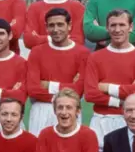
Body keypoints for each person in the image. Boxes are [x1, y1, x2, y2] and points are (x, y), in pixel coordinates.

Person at [84, 9, 135, 151]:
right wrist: (121, 99)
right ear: (107, 28)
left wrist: (106, 87)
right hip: (101, 120)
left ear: (131, 27)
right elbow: (90, 94)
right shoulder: (95, 57)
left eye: (122, 25)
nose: (117, 30)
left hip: (129, 120)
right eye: (113, 25)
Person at [26, 8, 89, 137]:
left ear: (69, 26)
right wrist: (68, 86)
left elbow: (79, 90)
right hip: (41, 109)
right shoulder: (36, 52)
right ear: (46, 27)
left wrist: (47, 85)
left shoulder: (82, 53)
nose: (55, 29)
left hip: (69, 109)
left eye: (60, 24)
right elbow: (32, 89)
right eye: (51, 25)